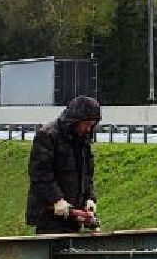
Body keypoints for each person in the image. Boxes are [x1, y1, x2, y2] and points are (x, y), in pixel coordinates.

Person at [25, 95, 102, 234]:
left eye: (92, 125)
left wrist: (90, 198)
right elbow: (40, 174)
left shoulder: (83, 140)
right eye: (87, 124)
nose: (89, 129)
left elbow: (87, 174)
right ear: (76, 120)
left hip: (73, 216)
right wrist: (56, 200)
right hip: (50, 216)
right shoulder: (47, 136)